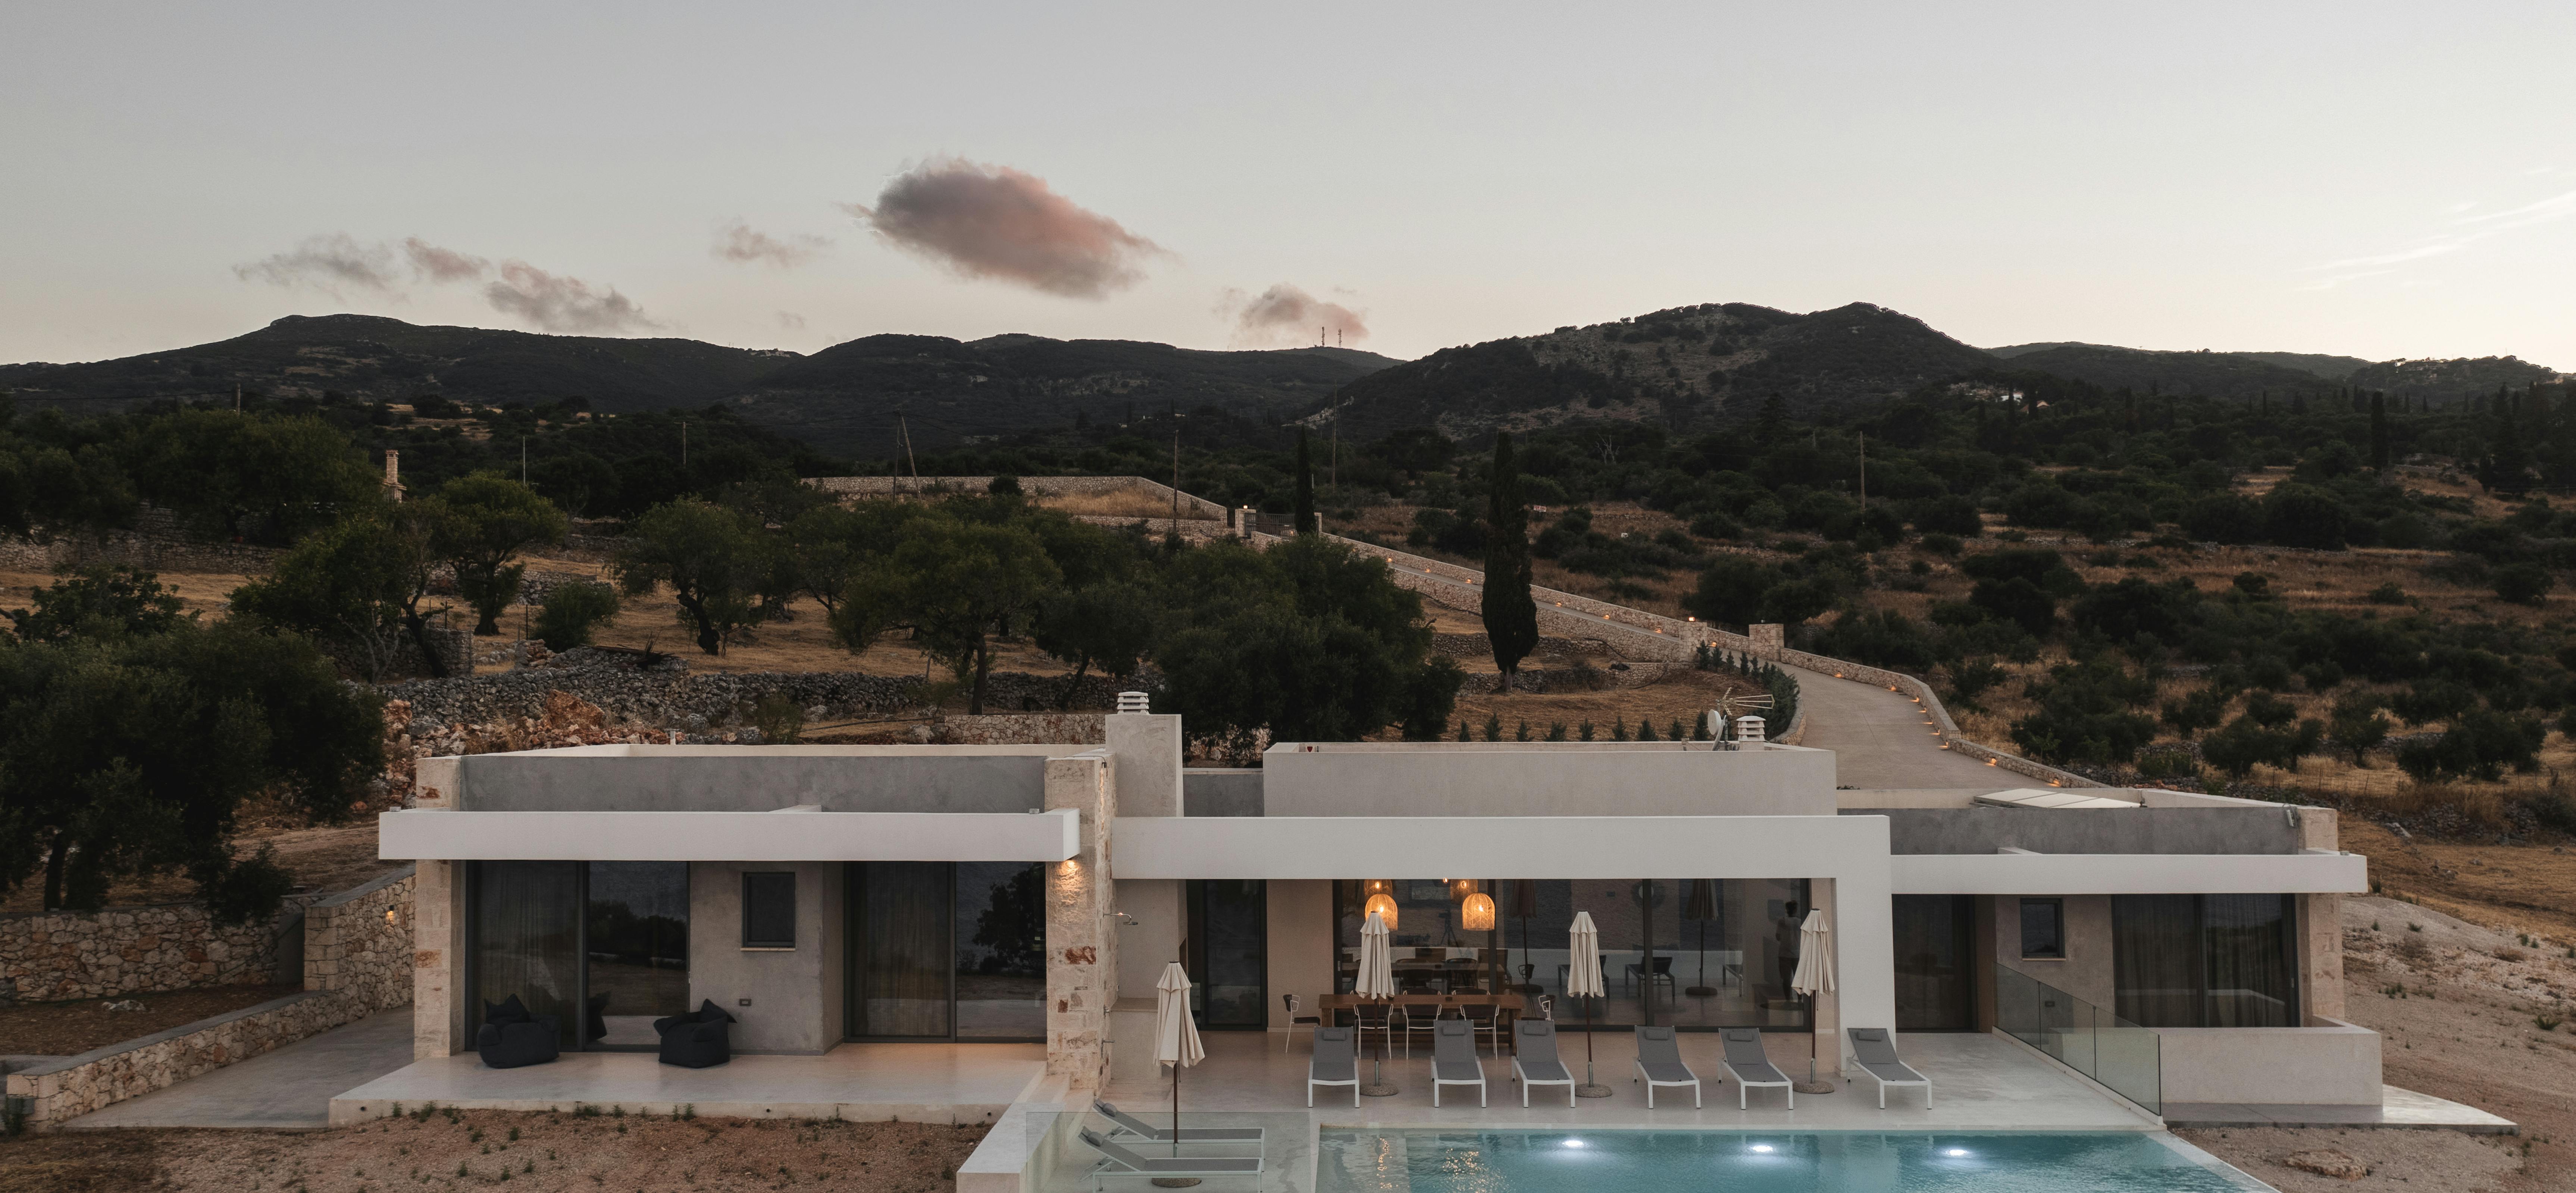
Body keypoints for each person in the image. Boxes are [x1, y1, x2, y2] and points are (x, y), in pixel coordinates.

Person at [1774, 900, 1803, 1004]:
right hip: (1797, 954)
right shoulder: (1800, 922)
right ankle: (1800, 1000)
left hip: (1784, 954)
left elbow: (1778, 937)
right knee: (1799, 978)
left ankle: (1788, 1000)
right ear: (1796, 910)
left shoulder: (1782, 922)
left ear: (1786, 910)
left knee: (1786, 979)